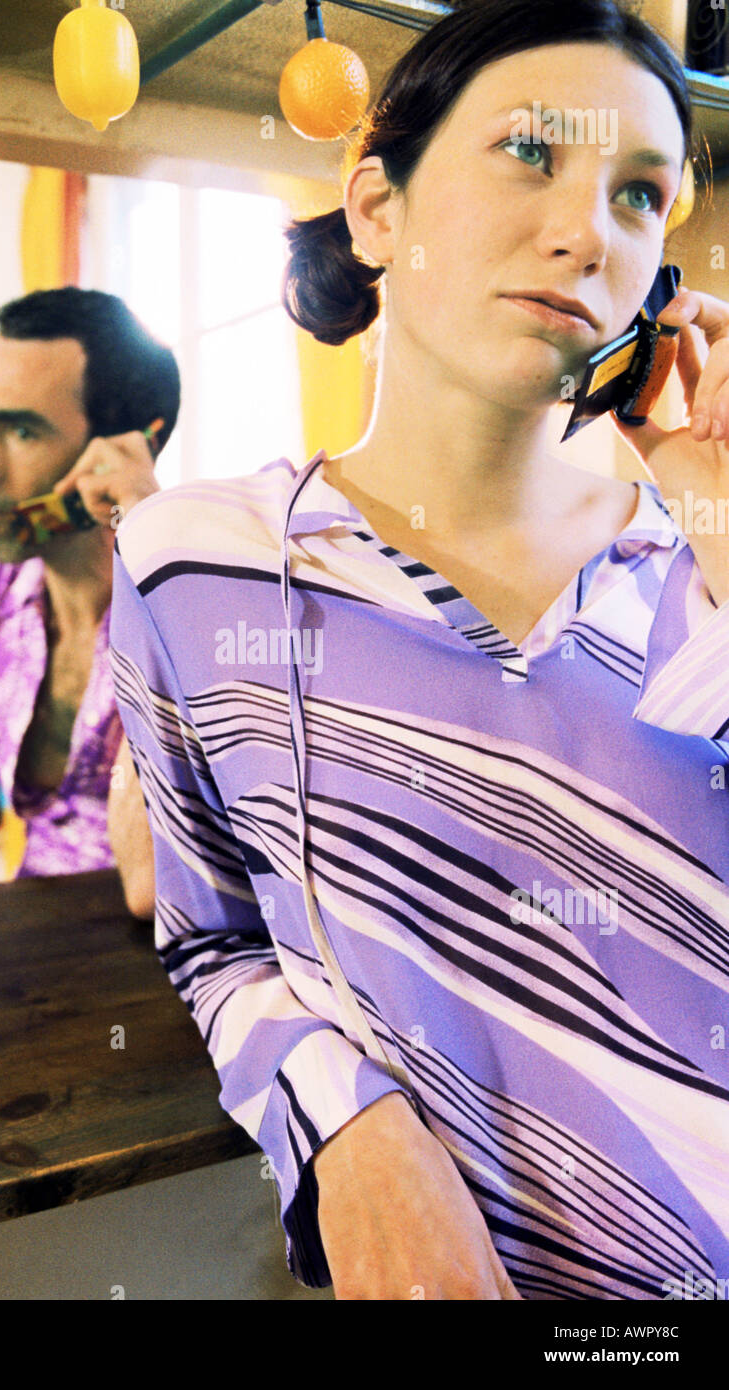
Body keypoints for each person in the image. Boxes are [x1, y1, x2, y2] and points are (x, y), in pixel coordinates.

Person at [108, 0, 729, 1299]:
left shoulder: (696, 561)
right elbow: (213, 938)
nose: (583, 230)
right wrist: (345, 1122)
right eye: (528, 154)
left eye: (636, 196)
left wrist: (706, 496)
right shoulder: (192, 562)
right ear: (376, 211)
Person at [0, 288, 172, 913]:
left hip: (171, 963)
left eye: (21, 430)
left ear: (129, 447)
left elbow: (166, 880)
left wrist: (158, 540)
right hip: (28, 951)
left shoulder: (191, 601)